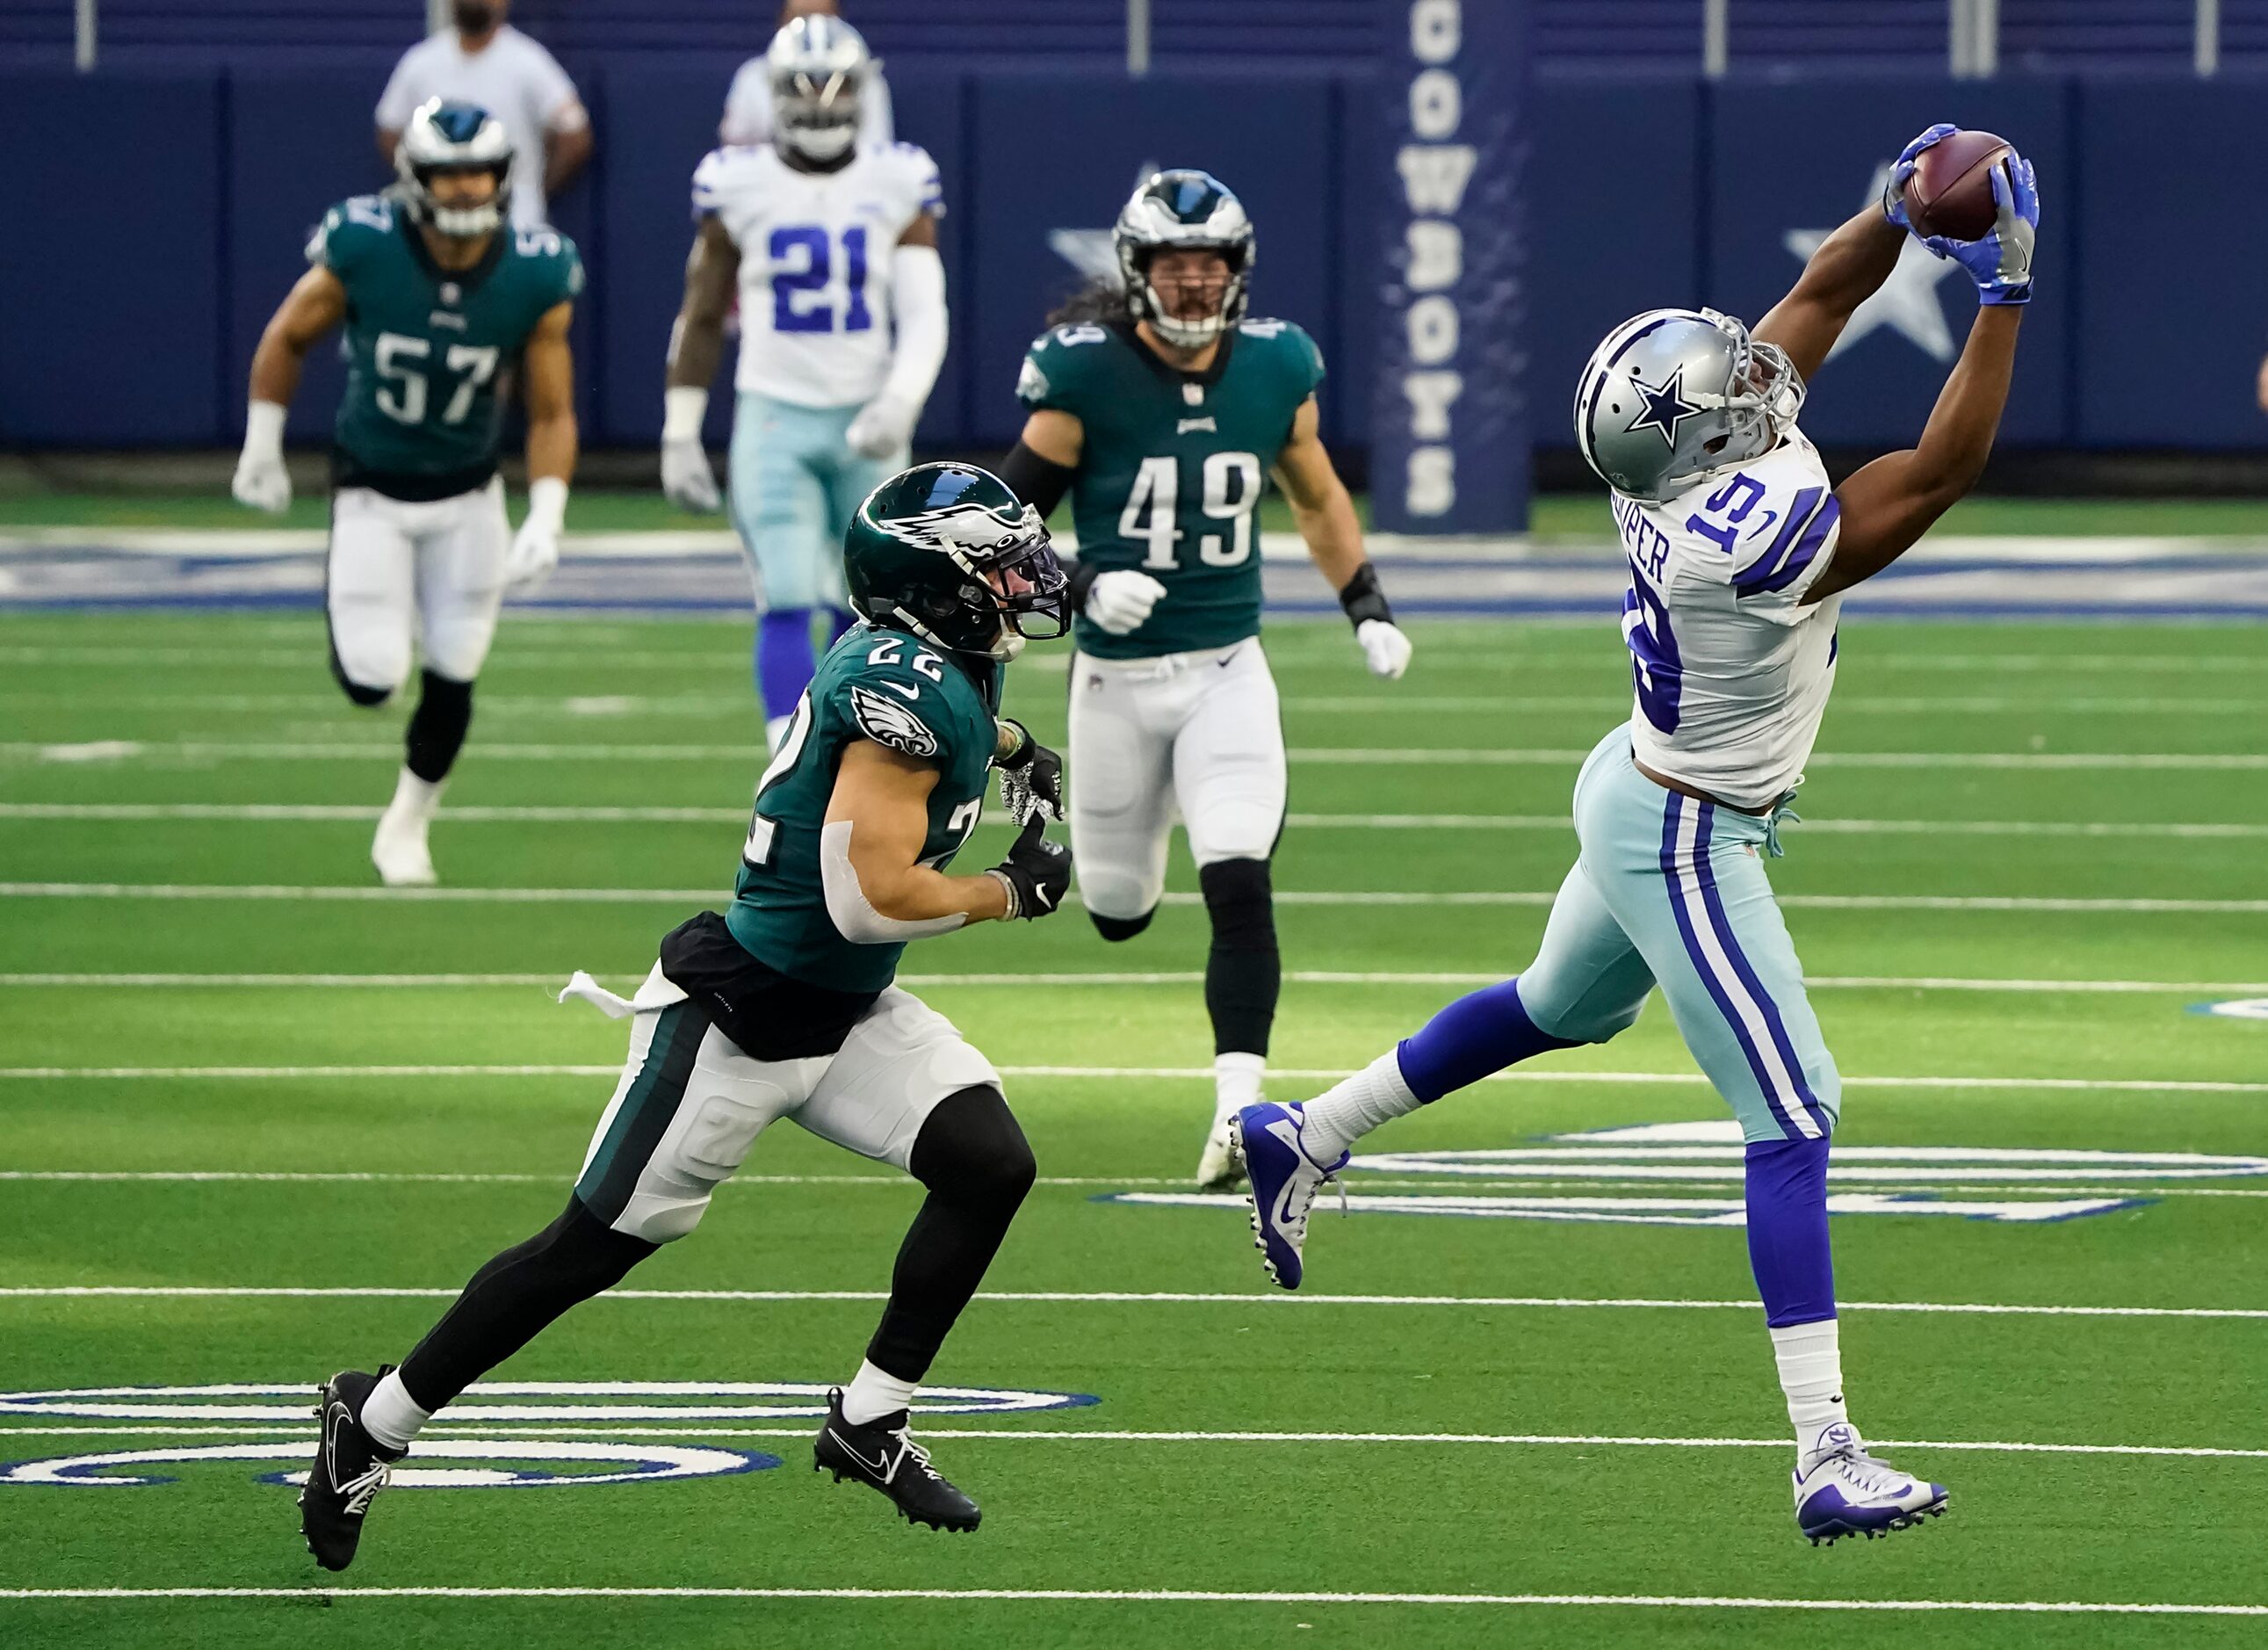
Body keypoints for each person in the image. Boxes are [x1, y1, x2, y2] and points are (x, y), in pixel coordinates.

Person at [1233, 124, 2039, 1545]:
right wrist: (2003, 289)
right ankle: (1823, 1447)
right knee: (1793, 1112)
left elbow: (1810, 308)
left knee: (1554, 1006)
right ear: (1701, 432)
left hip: (1636, 784)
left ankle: (1307, 1130)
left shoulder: (1663, 467)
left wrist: (1893, 209)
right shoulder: (1750, 532)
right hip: (1690, 829)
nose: (1751, 377)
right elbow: (1934, 471)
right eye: (1726, 383)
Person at [295, 462, 1074, 1571]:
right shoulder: (902, 690)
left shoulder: (945, 665)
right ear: (936, 588)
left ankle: (868, 1420)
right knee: (583, 1253)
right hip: (740, 1016)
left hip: (845, 1015)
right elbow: (866, 902)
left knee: (990, 1162)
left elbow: (947, 739)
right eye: (995, 570)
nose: (1020, 583)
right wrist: (1009, 890)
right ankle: (372, 1421)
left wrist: (1013, 749)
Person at [999, 170, 1414, 1191]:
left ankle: (1239, 1113)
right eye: (1173, 269)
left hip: (1229, 667)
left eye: (1208, 268)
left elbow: (1315, 498)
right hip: (1113, 683)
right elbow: (997, 528)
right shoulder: (1080, 374)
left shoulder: (1276, 365)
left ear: (1237, 272)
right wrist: (1086, 580)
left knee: (1236, 873)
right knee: (1117, 905)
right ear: (1136, 274)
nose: (1192, 288)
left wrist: (1365, 603)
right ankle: (1157, 822)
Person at [230, 100, 581, 887]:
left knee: (456, 667)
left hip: (469, 493)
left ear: (502, 177)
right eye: (448, 175)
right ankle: (378, 634)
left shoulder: (535, 267)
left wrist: (548, 513)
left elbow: (551, 407)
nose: (464, 190)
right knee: (374, 677)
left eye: (479, 173)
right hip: (372, 487)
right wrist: (262, 441)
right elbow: (288, 336)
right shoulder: (365, 243)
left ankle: (407, 824)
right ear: (416, 180)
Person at [661, 14, 947, 752]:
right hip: (775, 417)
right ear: (775, 93)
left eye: (836, 87)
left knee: (874, 605)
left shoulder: (896, 177)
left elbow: (924, 312)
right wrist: (680, 430)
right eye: (806, 88)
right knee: (785, 595)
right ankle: (789, 766)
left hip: (867, 416)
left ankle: (852, 756)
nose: (821, 103)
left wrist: (899, 399)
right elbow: (699, 314)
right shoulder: (738, 182)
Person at [375, 0, 590, 231]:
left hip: (515, 222)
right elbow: (389, 126)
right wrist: (423, 180)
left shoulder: (529, 61)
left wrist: (535, 190)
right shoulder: (421, 62)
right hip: (438, 229)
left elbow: (575, 134)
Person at [720, 0, 894, 149]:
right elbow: (736, 147)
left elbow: (875, 148)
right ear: (782, 21)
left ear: (840, 23)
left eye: (822, 16)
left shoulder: (866, 79)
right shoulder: (753, 75)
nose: (811, 24)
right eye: (800, 16)